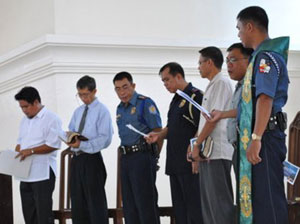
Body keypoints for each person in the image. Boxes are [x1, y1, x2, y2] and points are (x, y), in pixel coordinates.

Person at [209, 6, 290, 224]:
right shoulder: (258, 58)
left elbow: (265, 99)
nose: (238, 34)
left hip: (265, 138)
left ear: (250, 27)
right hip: (260, 135)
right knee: (256, 201)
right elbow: (249, 106)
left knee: (268, 201)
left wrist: (256, 138)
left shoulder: (266, 58)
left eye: (239, 29)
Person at [147, 62, 204, 224]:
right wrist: (158, 135)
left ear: (178, 76)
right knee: (180, 211)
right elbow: (172, 127)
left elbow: (204, 126)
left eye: (167, 80)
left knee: (194, 210)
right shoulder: (176, 99)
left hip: (190, 164)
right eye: (163, 81)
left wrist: (195, 150)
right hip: (175, 163)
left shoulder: (195, 96)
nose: (165, 84)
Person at [190, 47, 235, 224]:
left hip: (218, 151)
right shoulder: (212, 85)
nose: (198, 67)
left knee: (219, 205)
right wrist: (196, 144)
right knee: (208, 206)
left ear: (210, 62)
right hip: (208, 152)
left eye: (200, 63)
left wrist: (196, 145)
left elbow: (212, 119)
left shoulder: (222, 83)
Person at [113, 71, 162, 224]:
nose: (122, 92)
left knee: (145, 204)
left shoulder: (144, 103)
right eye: (118, 89)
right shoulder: (119, 108)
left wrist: (155, 158)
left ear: (133, 86)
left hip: (142, 157)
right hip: (126, 158)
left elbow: (158, 132)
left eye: (125, 87)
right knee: (129, 205)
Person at [68, 75, 113, 224]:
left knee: (95, 204)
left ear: (94, 91)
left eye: (86, 94)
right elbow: (72, 130)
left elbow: (105, 138)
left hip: (92, 159)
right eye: (80, 95)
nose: (83, 98)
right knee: (77, 203)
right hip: (77, 160)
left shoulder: (102, 111)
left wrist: (83, 145)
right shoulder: (78, 111)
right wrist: (70, 138)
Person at [15, 86, 62, 224]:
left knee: (43, 214)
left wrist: (31, 151)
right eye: (21, 107)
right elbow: (20, 143)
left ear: (36, 102)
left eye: (26, 106)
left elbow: (53, 144)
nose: (24, 110)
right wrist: (17, 151)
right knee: (28, 213)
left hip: (43, 173)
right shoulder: (24, 121)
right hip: (25, 172)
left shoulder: (52, 118)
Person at [226, 43, 253, 176]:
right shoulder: (239, 86)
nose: (228, 65)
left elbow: (248, 110)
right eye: (227, 61)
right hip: (237, 148)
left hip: (249, 147)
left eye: (233, 60)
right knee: (241, 195)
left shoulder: (252, 85)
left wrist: (222, 115)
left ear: (248, 60)